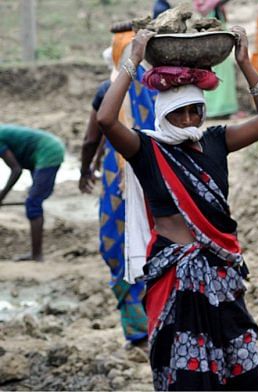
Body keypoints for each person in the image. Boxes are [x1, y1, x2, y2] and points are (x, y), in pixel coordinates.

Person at [97, 25, 258, 390]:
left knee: (241, 365)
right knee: (186, 374)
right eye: (179, 113)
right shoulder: (146, 150)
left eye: (195, 111)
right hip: (175, 274)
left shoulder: (215, 141)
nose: (187, 120)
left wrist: (244, 63)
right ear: (163, 112)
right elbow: (105, 119)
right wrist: (133, 60)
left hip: (221, 273)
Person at [78, 30, 155, 347]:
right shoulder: (159, 87)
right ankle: (160, 318)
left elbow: (92, 136)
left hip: (119, 179)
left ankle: (137, 328)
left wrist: (87, 168)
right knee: (153, 242)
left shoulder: (108, 90)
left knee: (117, 245)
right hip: (155, 174)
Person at [0, 125, 65, 262]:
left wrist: (2, 195)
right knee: (34, 199)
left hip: (48, 151)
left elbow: (16, 170)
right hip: (37, 154)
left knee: (33, 203)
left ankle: (37, 255)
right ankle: (36, 254)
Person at [193, 0, 242, 118]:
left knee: (223, 76)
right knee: (214, 75)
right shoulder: (206, 5)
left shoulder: (213, 6)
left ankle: (224, 109)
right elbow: (204, 8)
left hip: (219, 43)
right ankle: (216, 110)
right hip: (214, 44)